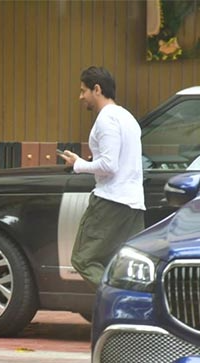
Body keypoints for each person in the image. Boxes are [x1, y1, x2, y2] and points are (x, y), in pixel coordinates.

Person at [58, 66, 145, 289]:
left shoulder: (106, 120)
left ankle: (116, 297)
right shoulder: (127, 118)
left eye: (83, 90)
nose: (81, 97)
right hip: (134, 204)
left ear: (97, 89)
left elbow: (109, 165)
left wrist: (78, 165)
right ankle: (136, 305)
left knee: (83, 259)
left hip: (110, 201)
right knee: (126, 265)